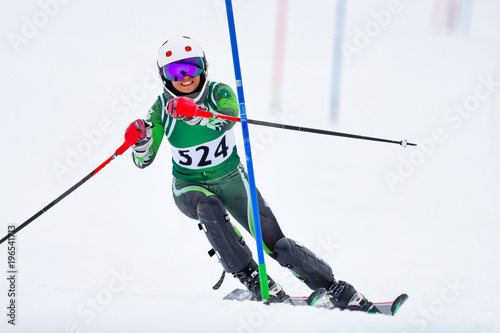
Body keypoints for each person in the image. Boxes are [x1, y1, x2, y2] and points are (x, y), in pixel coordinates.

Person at [125, 36, 377, 311]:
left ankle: (334, 288)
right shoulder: (162, 108)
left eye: (192, 67)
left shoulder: (218, 92)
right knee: (209, 207)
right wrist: (142, 142)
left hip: (232, 179)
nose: (185, 77)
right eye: (175, 71)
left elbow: (228, 117)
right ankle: (252, 277)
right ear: (164, 78)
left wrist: (201, 115)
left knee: (276, 244)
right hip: (188, 185)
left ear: (204, 68)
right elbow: (143, 161)